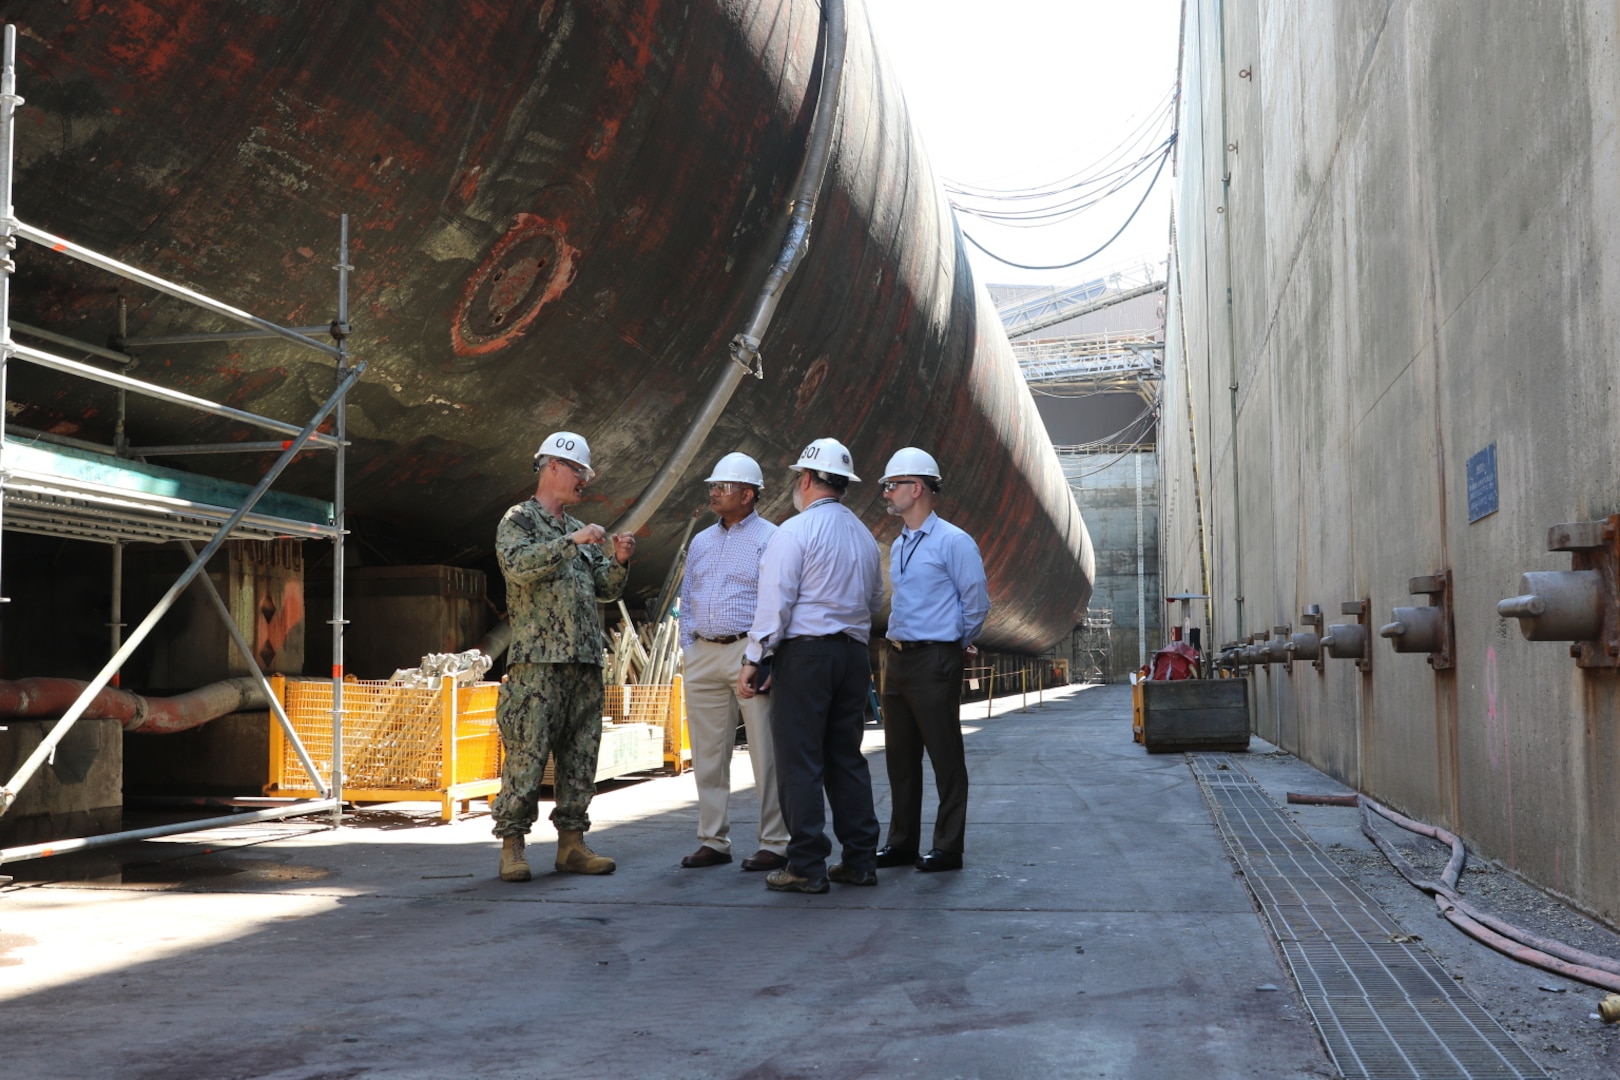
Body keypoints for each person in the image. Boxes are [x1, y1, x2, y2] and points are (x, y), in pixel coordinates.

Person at [737, 438, 884, 893]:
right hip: (853, 656)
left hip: (807, 655)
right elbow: (876, 599)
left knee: (799, 761)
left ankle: (805, 864)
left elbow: (775, 601)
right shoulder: (864, 536)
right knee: (845, 758)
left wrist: (754, 658)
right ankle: (860, 860)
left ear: (805, 479)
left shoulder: (794, 532)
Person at [492, 431, 636, 882]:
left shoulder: (578, 529)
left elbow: (605, 589)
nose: (583, 482)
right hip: (537, 663)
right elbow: (519, 566)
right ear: (553, 467)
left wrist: (619, 560)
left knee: (580, 757)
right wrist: (571, 543)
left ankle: (571, 845)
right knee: (526, 755)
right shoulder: (520, 520)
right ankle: (513, 845)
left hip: (582, 662)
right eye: (579, 472)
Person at [875, 447, 989, 873]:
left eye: (893, 485)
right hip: (899, 659)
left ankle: (947, 847)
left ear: (916, 488)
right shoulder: (901, 542)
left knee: (945, 757)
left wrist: (954, 645)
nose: (887, 493)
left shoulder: (954, 542)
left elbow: (976, 602)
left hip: (935, 659)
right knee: (899, 759)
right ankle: (902, 843)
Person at [676, 452, 790, 872]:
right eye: (712, 486)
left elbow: (776, 602)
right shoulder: (703, 541)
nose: (714, 493)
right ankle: (713, 839)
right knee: (707, 755)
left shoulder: (770, 538)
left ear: (748, 494)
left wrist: (763, 657)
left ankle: (776, 843)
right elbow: (687, 597)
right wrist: (690, 645)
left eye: (722, 487)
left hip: (750, 653)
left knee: (766, 754)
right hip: (704, 653)